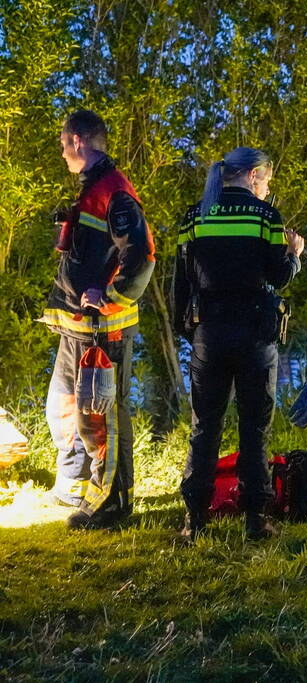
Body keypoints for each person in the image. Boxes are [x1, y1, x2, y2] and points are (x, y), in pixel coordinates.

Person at [173, 147, 304, 541]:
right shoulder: (265, 217)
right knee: (254, 428)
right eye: (265, 182)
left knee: (204, 426)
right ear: (252, 176)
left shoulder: (195, 216)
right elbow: (278, 277)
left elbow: (181, 283)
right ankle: (255, 519)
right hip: (254, 334)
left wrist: (190, 334)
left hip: (208, 333)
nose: (266, 190)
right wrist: (294, 255)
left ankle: (194, 518)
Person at [41, 110, 155, 529]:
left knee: (104, 416)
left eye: (62, 142)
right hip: (79, 328)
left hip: (103, 330)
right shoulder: (94, 189)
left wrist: (108, 297)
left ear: (78, 140)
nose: (61, 150)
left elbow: (140, 258)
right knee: (70, 409)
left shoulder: (114, 192)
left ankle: (114, 505)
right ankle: (83, 488)